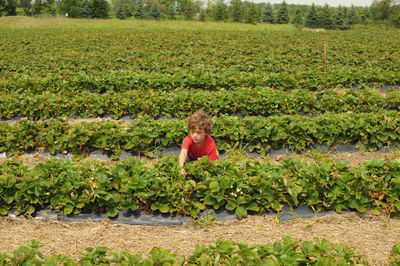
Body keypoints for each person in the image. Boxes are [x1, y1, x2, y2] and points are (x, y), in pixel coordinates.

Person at [179, 110, 218, 177]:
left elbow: (211, 163)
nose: (195, 135)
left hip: (205, 160)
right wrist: (181, 167)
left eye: (199, 132)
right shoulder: (187, 139)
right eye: (192, 132)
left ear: (206, 132)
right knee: (186, 168)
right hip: (192, 157)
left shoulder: (210, 143)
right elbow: (183, 152)